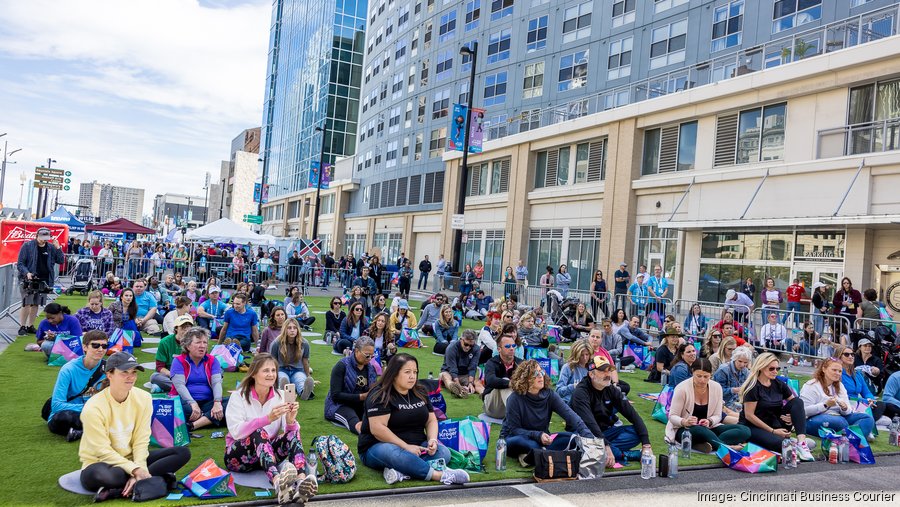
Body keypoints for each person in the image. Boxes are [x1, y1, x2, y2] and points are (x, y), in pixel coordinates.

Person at [79, 352, 191, 501]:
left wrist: (139, 467)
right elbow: (101, 450)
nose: (130, 377)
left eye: (133, 372)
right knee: (101, 475)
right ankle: (154, 479)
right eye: (124, 372)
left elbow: (141, 439)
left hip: (133, 458)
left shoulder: (144, 398)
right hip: (102, 463)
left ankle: (122, 488)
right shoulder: (93, 407)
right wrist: (135, 470)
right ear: (109, 374)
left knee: (182, 453)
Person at [358, 353, 470, 485]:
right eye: (407, 372)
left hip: (416, 446)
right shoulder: (379, 394)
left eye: (415, 372)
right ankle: (440, 475)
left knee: (443, 452)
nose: (412, 376)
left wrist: (432, 440)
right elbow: (378, 429)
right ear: (394, 373)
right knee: (394, 453)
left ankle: (402, 472)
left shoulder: (419, 391)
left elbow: (431, 420)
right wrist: (405, 447)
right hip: (378, 446)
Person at [224, 353, 317, 505]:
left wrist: (291, 419)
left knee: (293, 432)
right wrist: (267, 418)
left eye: (273, 370)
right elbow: (236, 432)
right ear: (254, 373)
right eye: (266, 371)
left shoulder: (280, 396)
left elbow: (288, 432)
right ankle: (277, 482)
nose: (271, 374)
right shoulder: (238, 396)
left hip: (267, 455)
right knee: (259, 431)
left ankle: (301, 482)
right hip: (239, 457)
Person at [500, 359, 594, 465]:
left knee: (574, 438)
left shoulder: (549, 395)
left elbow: (572, 416)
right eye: (535, 373)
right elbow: (514, 430)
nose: (540, 376)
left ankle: (534, 456)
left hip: (543, 439)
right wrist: (537, 435)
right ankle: (539, 454)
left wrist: (590, 438)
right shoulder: (515, 398)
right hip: (515, 438)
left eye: (542, 372)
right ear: (525, 378)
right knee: (528, 443)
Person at [569, 355, 650, 465]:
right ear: (591, 374)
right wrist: (606, 446)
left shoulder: (610, 389)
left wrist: (646, 445)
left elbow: (633, 415)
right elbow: (589, 423)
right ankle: (624, 454)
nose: (607, 375)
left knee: (636, 432)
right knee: (583, 443)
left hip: (605, 432)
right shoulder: (581, 393)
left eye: (609, 370)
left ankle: (605, 451)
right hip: (584, 434)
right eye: (602, 371)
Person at [666, 359, 751, 453]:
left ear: (711, 374)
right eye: (698, 376)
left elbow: (718, 415)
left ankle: (710, 443)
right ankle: (726, 447)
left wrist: (709, 421)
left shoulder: (716, 387)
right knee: (701, 430)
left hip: (710, 428)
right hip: (685, 430)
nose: (702, 380)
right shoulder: (682, 389)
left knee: (745, 430)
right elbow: (672, 416)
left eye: (706, 376)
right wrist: (685, 421)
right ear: (692, 372)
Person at [739, 352, 815, 456]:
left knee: (798, 401)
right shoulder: (753, 387)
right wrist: (773, 431)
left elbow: (795, 403)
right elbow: (749, 415)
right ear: (761, 367)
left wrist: (792, 417)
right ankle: (789, 444)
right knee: (780, 444)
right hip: (754, 426)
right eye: (771, 369)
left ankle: (801, 442)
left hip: (776, 422)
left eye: (777, 369)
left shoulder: (778, 383)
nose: (775, 372)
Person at [48, 330, 108, 441]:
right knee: (62, 418)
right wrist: (88, 408)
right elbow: (56, 405)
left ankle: (83, 432)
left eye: (104, 346)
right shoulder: (68, 369)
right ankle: (99, 430)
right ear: (84, 347)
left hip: (98, 413)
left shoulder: (109, 368)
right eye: (95, 345)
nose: (100, 349)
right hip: (74, 413)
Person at [800, 356, 875, 439]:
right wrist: (825, 405)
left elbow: (848, 411)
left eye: (840, 371)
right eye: (834, 370)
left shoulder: (840, 385)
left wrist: (845, 408)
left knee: (868, 418)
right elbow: (803, 411)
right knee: (840, 422)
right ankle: (853, 436)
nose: (837, 373)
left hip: (839, 416)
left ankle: (849, 439)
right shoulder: (811, 385)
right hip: (815, 418)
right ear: (824, 369)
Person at [171, 327, 228, 431]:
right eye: (198, 342)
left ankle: (193, 425)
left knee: (233, 403)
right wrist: (192, 403)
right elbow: (180, 386)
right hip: (186, 403)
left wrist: (217, 402)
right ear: (188, 345)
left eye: (205, 342)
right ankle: (209, 418)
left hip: (208, 402)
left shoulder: (212, 360)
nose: (202, 346)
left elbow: (216, 383)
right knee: (180, 410)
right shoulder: (178, 361)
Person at [16, 226, 64, 336]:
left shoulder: (51, 247)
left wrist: (58, 248)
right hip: (28, 279)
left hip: (44, 280)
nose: (44, 239)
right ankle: (22, 326)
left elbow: (60, 260)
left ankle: (30, 326)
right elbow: (20, 264)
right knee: (26, 303)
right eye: (42, 236)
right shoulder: (27, 246)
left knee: (36, 303)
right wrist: (27, 273)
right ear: (36, 236)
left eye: (46, 237)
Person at [325, 337, 377, 435]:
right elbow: (335, 396)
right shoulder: (341, 366)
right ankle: (366, 435)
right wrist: (362, 397)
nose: (370, 359)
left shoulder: (371, 369)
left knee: (378, 417)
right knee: (353, 420)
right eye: (367, 355)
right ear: (356, 351)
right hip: (339, 405)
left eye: (372, 356)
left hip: (361, 405)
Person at [836, 343, 885, 423]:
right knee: (882, 411)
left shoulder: (857, 373)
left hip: (859, 404)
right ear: (839, 356)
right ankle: (867, 421)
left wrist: (870, 399)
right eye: (846, 354)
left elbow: (867, 392)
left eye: (852, 354)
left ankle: (867, 420)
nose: (851, 356)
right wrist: (863, 401)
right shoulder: (838, 374)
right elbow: (840, 395)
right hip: (846, 403)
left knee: (882, 405)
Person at [482, 325, 523, 419]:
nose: (512, 348)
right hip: (493, 406)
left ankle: (520, 414)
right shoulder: (491, 362)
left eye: (513, 346)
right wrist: (510, 383)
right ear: (499, 349)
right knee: (504, 382)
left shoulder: (520, 363)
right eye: (508, 346)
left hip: (511, 406)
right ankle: (519, 417)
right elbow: (490, 380)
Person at [271, 318, 315, 401]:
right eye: (289, 328)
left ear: (298, 330)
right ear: (285, 329)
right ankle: (286, 391)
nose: (292, 330)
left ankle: (304, 393)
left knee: (300, 380)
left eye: (295, 328)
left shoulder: (304, 343)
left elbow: (305, 361)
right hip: (281, 369)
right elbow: (273, 361)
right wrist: (273, 376)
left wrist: (308, 376)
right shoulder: (277, 342)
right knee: (283, 379)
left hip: (297, 370)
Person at [150, 314, 195, 393]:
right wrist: (173, 375)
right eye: (183, 328)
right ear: (176, 328)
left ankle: (167, 387)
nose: (186, 330)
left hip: (189, 374)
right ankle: (187, 388)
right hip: (169, 374)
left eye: (188, 327)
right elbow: (160, 367)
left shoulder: (195, 342)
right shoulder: (165, 342)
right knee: (154, 377)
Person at [440, 330, 482, 398]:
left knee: (477, 382)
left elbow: (473, 367)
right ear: (461, 340)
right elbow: (452, 369)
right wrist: (458, 385)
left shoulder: (476, 349)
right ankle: (457, 390)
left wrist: (470, 383)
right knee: (445, 377)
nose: (468, 347)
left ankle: (484, 394)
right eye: (466, 344)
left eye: (471, 345)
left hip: (465, 374)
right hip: (449, 372)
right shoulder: (451, 348)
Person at [713, 345, 752, 410]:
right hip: (724, 403)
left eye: (745, 362)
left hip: (739, 402)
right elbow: (716, 390)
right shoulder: (723, 370)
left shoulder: (746, 371)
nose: (742, 365)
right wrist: (733, 390)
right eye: (740, 361)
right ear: (734, 359)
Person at [556, 339, 593, 404]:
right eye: (582, 355)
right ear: (576, 354)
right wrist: (573, 387)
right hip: (571, 403)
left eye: (587, 354)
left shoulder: (592, 368)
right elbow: (558, 391)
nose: (585, 358)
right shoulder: (568, 367)